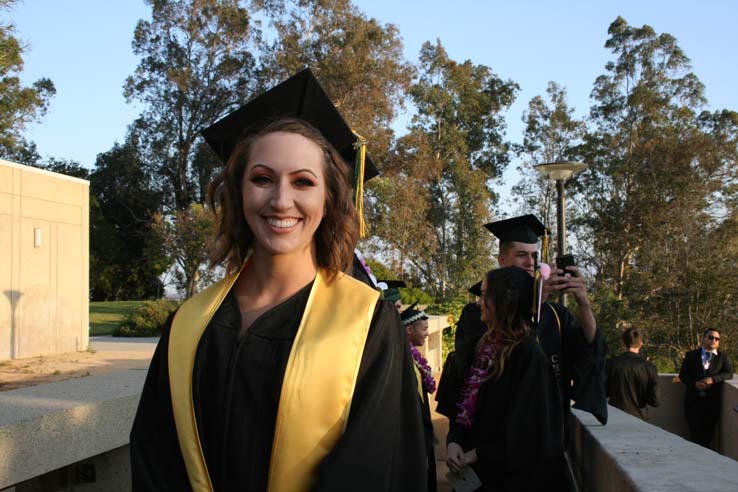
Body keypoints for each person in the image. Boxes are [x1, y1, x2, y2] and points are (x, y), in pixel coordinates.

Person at [129, 68, 427, 491]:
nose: (281, 200)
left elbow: (378, 470)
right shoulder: (189, 325)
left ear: (328, 200)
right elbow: (154, 460)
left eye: (303, 182)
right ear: (238, 192)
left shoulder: (365, 325)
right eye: (262, 179)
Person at [446, 267, 566, 491]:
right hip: (478, 475)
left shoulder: (528, 354)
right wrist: (455, 440)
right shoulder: (486, 347)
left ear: (502, 301)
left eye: (484, 295)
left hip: (508, 481)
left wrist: (478, 453)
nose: (478, 302)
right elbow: (467, 409)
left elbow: (526, 430)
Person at [485, 214, 607, 425]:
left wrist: (584, 304)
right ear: (502, 260)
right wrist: (536, 302)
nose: (530, 263)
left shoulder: (557, 316)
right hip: (505, 428)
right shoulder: (483, 310)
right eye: (521, 255)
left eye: (534, 256)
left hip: (553, 427)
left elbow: (590, 352)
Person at [401, 303, 438, 492]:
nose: (426, 334)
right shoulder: (402, 357)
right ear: (408, 329)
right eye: (423, 329)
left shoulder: (413, 356)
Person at [679, 328, 733, 448]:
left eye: (716, 339)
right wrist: (694, 384)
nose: (713, 340)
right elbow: (683, 375)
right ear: (703, 339)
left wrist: (713, 379)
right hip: (693, 403)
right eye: (710, 337)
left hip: (711, 404)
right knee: (694, 436)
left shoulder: (722, 357)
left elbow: (729, 373)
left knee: (707, 438)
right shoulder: (691, 355)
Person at [606, 328, 660, 420]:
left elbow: (604, 391)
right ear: (641, 344)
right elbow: (655, 401)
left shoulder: (611, 364)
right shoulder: (649, 367)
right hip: (639, 417)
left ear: (623, 343)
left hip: (615, 417)